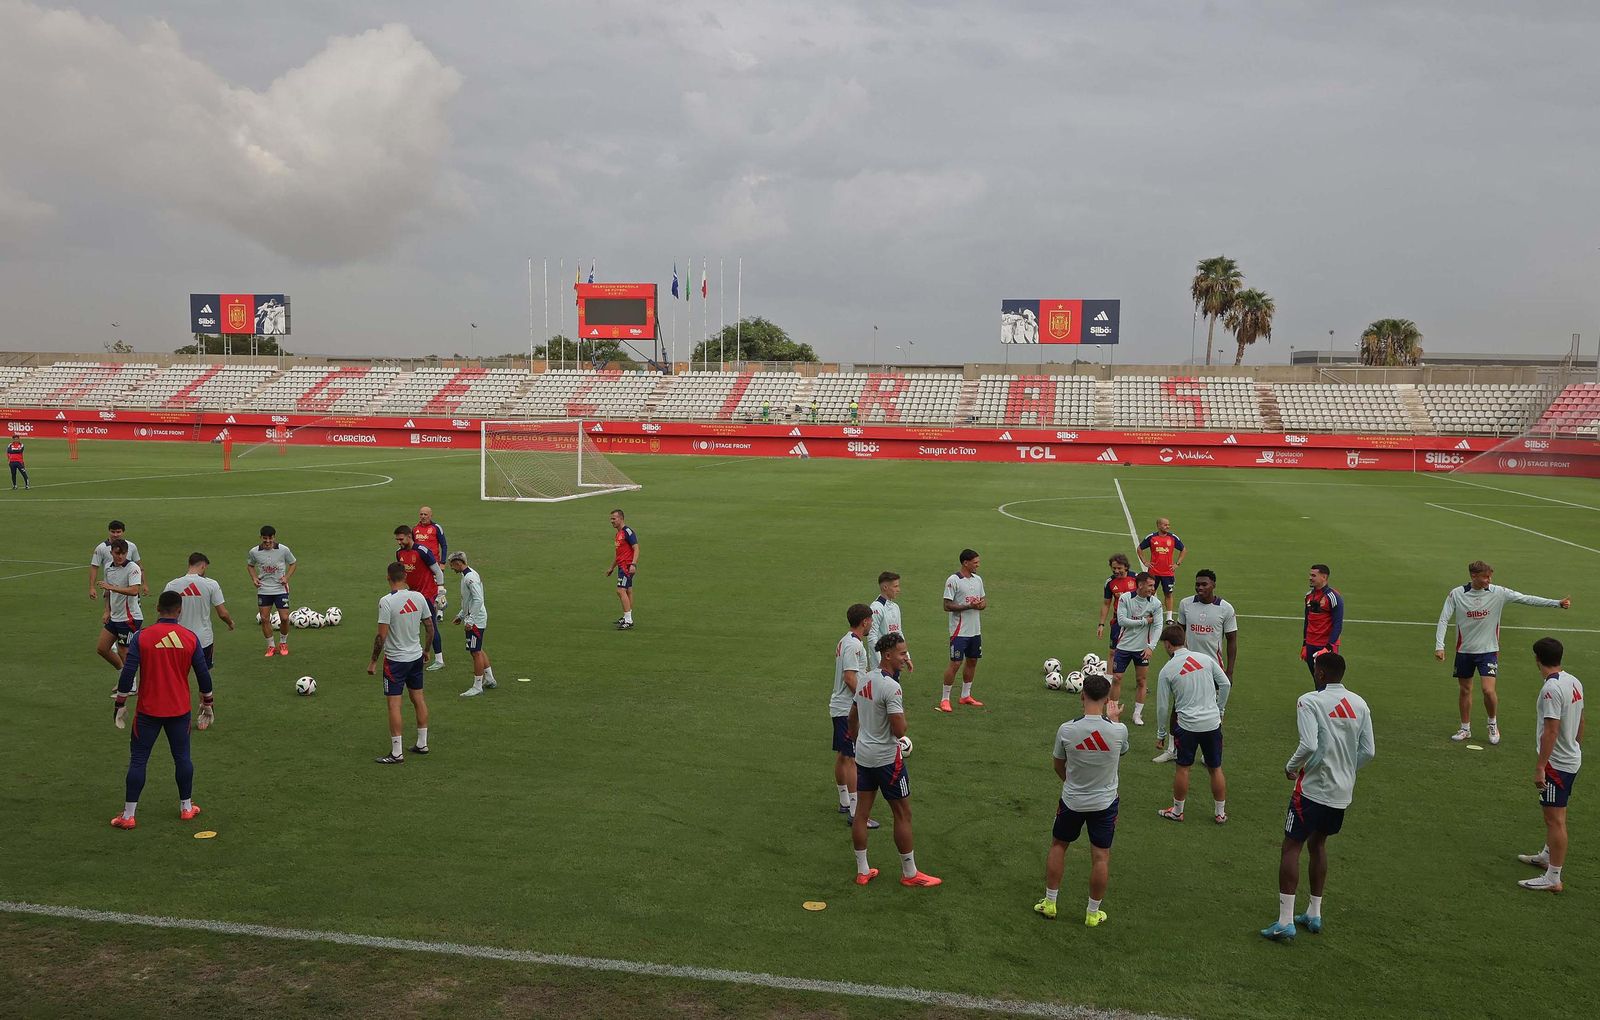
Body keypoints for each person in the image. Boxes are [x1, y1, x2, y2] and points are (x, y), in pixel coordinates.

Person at [1261, 652, 1374, 941]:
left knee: (1291, 846)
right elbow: (1368, 751)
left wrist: (1291, 767)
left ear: (1321, 674)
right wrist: (1345, 769)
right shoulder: (1360, 703)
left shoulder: (1309, 701)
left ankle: (1285, 920)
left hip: (1311, 789)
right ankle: (1314, 912)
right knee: (1318, 843)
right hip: (1341, 792)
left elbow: (1309, 744)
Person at [109, 589, 215, 829]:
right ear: (180, 611)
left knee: (138, 760)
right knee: (182, 758)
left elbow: (128, 671)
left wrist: (120, 702)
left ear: (157, 609)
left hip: (148, 711)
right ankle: (186, 808)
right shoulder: (189, 637)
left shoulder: (142, 637)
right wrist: (207, 702)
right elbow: (203, 674)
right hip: (179, 710)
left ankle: (128, 815)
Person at [1435, 561, 1570, 745]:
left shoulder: (1498, 592)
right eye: (1485, 577)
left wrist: (1556, 603)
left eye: (1490, 576)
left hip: (1488, 651)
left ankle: (1492, 723)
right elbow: (1444, 619)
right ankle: (1465, 728)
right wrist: (1439, 646)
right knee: (1465, 690)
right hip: (1464, 651)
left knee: (1488, 690)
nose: (1489, 580)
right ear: (1474, 576)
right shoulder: (1456, 594)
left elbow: (1526, 598)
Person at [1034, 672, 1127, 927]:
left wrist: (1071, 783)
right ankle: (1092, 913)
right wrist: (1114, 720)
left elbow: (1057, 764)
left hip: (1072, 800)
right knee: (1101, 856)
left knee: (1058, 845)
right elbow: (1121, 752)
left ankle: (1050, 902)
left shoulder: (1067, 729)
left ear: (1082, 696)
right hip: (1105, 803)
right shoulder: (1119, 731)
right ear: (1107, 699)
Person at [848, 633, 940, 888]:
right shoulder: (891, 688)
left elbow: (852, 716)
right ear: (887, 655)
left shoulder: (865, 678)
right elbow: (900, 730)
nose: (905, 657)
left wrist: (857, 740)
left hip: (864, 756)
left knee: (861, 813)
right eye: (902, 653)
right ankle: (910, 873)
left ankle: (862, 871)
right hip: (887, 760)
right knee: (902, 814)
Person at [1517, 637, 1585, 892]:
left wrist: (1540, 767)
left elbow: (1551, 731)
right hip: (1570, 758)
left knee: (1554, 819)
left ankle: (1553, 877)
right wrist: (1575, 746)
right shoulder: (1573, 681)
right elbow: (1581, 719)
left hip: (1557, 765)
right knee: (1557, 815)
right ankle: (1547, 856)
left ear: (1538, 659)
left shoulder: (1551, 689)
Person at [1153, 624, 1232, 821]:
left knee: (1183, 768)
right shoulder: (1205, 659)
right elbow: (1225, 684)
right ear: (1185, 640)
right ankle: (1220, 813)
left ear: (1168, 645)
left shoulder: (1167, 670)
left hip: (1187, 726)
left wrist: (1161, 734)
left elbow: (1162, 707)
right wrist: (1220, 709)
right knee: (1215, 768)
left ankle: (1177, 811)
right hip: (1212, 724)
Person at [367, 561, 435, 764]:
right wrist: (426, 650)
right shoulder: (418, 597)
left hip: (395, 661)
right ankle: (422, 743)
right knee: (418, 699)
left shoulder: (386, 601)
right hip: (415, 657)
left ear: (388, 578)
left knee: (394, 705)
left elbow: (381, 636)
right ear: (405, 577)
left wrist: (373, 661)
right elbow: (430, 627)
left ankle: (397, 753)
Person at [830, 604, 878, 829]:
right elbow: (850, 678)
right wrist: (864, 701)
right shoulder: (854, 645)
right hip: (846, 709)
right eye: (870, 621)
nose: (871, 624)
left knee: (843, 754)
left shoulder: (846, 641)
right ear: (865, 621)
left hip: (840, 707)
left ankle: (844, 801)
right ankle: (856, 812)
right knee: (851, 758)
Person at [163, 553, 234, 672]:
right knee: (205, 674)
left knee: (179, 673)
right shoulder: (211, 584)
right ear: (203, 566)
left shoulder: (172, 585)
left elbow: (164, 612)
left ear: (189, 565)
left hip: (179, 638)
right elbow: (222, 613)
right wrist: (230, 623)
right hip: (203, 639)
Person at [1112, 572, 1163, 726]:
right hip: (1123, 646)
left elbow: (1158, 626)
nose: (1153, 588)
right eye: (1150, 585)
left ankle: (1137, 714)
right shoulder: (1125, 598)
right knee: (1116, 678)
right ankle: (1113, 713)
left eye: (1153, 585)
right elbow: (1122, 621)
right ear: (1140, 585)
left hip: (1142, 649)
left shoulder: (1155, 603)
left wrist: (1151, 647)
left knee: (1141, 681)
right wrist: (1144, 621)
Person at [939, 549, 987, 712]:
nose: (978, 565)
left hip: (975, 630)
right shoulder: (953, 580)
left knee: (972, 661)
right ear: (965, 563)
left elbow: (983, 601)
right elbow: (947, 605)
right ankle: (945, 699)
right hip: (959, 631)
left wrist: (980, 605)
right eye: (975, 562)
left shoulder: (978, 580)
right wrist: (969, 606)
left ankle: (965, 695)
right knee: (956, 663)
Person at [394, 524, 446, 670]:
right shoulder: (399, 553)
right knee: (411, 624)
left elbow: (438, 571)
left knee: (431, 625)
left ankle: (439, 660)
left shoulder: (422, 551)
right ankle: (411, 655)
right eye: (397, 539)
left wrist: (440, 591)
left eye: (401, 539)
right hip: (412, 594)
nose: (399, 542)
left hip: (427, 594)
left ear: (409, 536)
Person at [449, 551, 497, 698]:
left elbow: (478, 599)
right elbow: (468, 600)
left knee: (475, 652)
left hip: (476, 620)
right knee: (478, 649)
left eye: (452, 565)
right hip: (474, 617)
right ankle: (490, 679)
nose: (451, 568)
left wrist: (470, 620)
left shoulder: (469, 578)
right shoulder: (468, 575)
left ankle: (477, 686)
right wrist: (461, 615)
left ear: (458, 563)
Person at [247, 525, 297, 657]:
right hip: (264, 589)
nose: (268, 541)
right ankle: (271, 646)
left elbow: (293, 563)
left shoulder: (283, 550)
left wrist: (286, 577)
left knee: (284, 618)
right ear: (261, 537)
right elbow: (250, 565)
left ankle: (283, 643)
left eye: (270, 538)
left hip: (280, 589)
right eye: (265, 538)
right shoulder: (254, 552)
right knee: (264, 618)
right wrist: (254, 578)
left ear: (274, 537)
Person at [1177, 569, 1237, 676]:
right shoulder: (1185, 604)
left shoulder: (1226, 608)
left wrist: (1230, 672)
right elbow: (1178, 634)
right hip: (1189, 665)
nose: (1200, 587)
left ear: (1213, 585)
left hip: (1214, 666)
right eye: (1197, 584)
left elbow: (1232, 640)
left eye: (1204, 584)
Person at [96, 538, 143, 670]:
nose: (120, 556)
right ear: (111, 552)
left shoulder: (133, 568)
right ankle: (123, 673)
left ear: (127, 553)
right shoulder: (108, 567)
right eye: (117, 553)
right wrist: (107, 611)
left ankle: (131, 681)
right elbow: (107, 592)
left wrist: (111, 587)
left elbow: (134, 591)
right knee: (102, 648)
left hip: (129, 618)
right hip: (115, 617)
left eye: (123, 553)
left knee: (124, 651)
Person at [413, 508, 450, 661]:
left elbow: (444, 545)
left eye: (425, 514)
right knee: (424, 591)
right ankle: (432, 610)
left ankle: (439, 610)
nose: (423, 516)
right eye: (421, 514)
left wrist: (442, 562)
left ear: (430, 515)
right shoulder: (414, 529)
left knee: (435, 590)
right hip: (420, 567)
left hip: (434, 566)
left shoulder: (436, 528)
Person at [1137, 518, 1186, 620]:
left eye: (1168, 525)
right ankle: (1148, 614)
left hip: (1168, 573)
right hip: (1153, 572)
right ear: (1159, 526)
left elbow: (1183, 549)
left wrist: (1177, 564)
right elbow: (1139, 548)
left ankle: (1169, 617)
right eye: (1165, 525)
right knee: (1150, 592)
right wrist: (1145, 562)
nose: (1168, 527)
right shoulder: (1151, 537)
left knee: (1168, 594)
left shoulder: (1173, 538)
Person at [867, 571, 913, 676]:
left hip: (894, 661)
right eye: (895, 586)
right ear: (885, 587)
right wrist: (881, 663)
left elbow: (899, 633)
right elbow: (872, 637)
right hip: (881, 666)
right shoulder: (876, 608)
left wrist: (906, 657)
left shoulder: (895, 607)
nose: (898, 590)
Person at [1302, 564, 1343, 678]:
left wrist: (1329, 647)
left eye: (1313, 575)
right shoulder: (1308, 596)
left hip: (1325, 645)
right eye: (1310, 575)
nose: (1310, 578)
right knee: (1317, 679)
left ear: (1324, 577)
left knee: (1328, 680)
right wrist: (1305, 644)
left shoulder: (1333, 597)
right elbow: (1307, 621)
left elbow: (1338, 624)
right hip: (1311, 644)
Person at [1097, 553, 1139, 654]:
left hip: (1136, 619)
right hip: (1119, 620)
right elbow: (1106, 604)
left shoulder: (1137, 578)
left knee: (1137, 652)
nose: (1116, 571)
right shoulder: (1110, 582)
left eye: (1119, 568)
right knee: (1113, 652)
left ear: (1126, 567)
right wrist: (1101, 624)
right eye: (1114, 568)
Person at [89, 520, 141, 601]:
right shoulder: (101, 548)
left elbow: (139, 565)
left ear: (123, 532)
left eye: (118, 532)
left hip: (127, 587)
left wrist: (144, 584)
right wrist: (92, 587)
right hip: (110, 586)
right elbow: (94, 567)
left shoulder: (131, 546)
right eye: (113, 532)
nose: (115, 535)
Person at [607, 508, 638, 629]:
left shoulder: (627, 532)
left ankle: (628, 620)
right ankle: (626, 616)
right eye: (611, 519)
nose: (612, 521)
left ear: (621, 518)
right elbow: (619, 554)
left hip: (627, 566)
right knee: (628, 590)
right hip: (622, 565)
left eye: (614, 519)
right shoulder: (618, 534)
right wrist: (611, 567)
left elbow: (636, 548)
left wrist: (633, 564)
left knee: (620, 591)